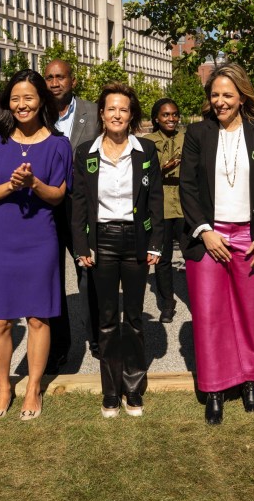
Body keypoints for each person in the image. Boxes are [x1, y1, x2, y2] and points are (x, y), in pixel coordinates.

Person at [179, 63, 254, 425]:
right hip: (210, 236)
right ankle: (214, 390)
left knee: (248, 312)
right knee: (209, 316)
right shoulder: (197, 133)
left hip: (251, 237)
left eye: (227, 94)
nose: (220, 101)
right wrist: (205, 231)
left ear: (242, 96)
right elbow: (188, 187)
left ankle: (248, 382)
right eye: (215, 95)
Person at [0, 70, 71, 420]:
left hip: (40, 240)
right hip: (2, 239)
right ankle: (4, 387)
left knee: (37, 317)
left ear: (41, 100)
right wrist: (12, 187)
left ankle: (33, 387)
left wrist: (34, 183)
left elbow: (58, 195)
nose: (21, 104)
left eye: (28, 97)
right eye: (15, 98)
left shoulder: (58, 144)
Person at [72, 82, 164, 417]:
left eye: (123, 109)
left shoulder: (146, 151)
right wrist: (82, 245)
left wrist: (156, 243)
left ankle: (133, 387)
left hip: (137, 240)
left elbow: (155, 199)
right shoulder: (86, 153)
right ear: (101, 113)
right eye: (111, 108)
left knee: (135, 319)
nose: (117, 114)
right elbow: (79, 204)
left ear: (131, 115)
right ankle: (110, 391)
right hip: (103, 242)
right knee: (107, 319)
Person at [44, 58, 100, 367]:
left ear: (73, 80)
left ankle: (97, 338)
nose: (54, 83)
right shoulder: (36, 114)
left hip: (83, 206)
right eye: (50, 77)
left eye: (60, 77)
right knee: (51, 277)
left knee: (88, 273)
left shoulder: (93, 112)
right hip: (48, 207)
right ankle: (58, 346)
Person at [140, 98, 185, 322]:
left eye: (174, 114)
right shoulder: (147, 142)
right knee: (163, 258)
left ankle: (200, 298)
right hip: (161, 206)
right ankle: (167, 303)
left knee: (194, 256)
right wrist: (161, 168)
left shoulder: (186, 137)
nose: (171, 119)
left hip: (185, 205)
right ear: (156, 118)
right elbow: (140, 174)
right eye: (166, 115)